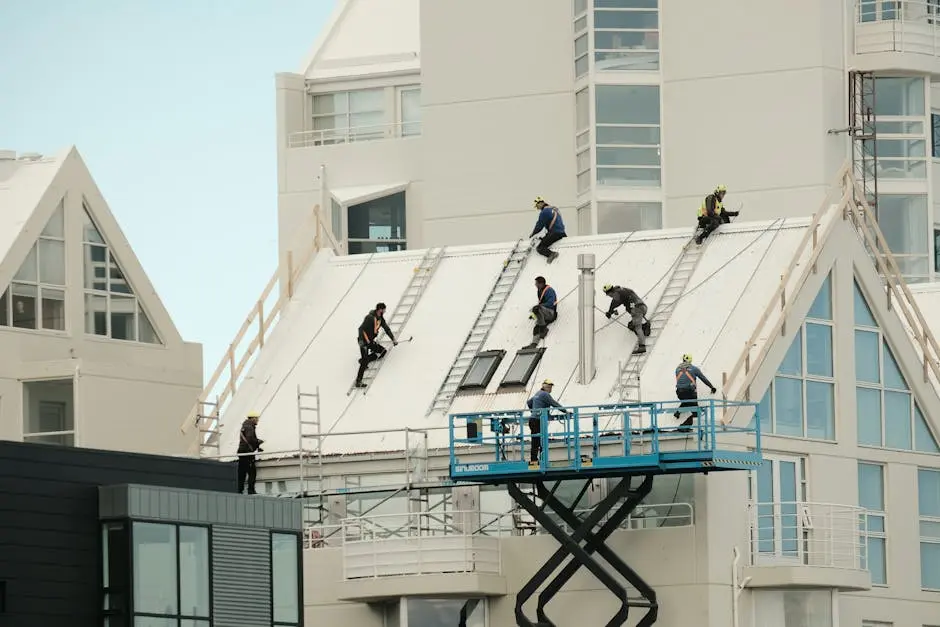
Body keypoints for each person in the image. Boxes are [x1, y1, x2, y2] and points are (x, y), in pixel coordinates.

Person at [354, 302, 397, 388]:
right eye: (384, 310)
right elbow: (361, 329)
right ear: (380, 310)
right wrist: (362, 341)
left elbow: (387, 329)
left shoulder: (380, 319)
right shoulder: (369, 317)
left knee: (383, 351)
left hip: (370, 341)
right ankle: (358, 382)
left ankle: (364, 360)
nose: (385, 311)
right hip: (364, 342)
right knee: (364, 361)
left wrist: (393, 339)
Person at [526, 379, 566, 463]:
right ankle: (542, 459)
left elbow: (529, 402)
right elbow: (554, 404)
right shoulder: (545, 394)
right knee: (542, 440)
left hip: (533, 420)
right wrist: (565, 411)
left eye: (551, 387)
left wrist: (533, 411)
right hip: (538, 421)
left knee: (535, 440)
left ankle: (534, 459)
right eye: (549, 387)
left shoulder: (538, 393)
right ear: (545, 387)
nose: (550, 389)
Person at [602, 284, 648, 355]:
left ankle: (642, 347)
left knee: (638, 328)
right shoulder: (623, 290)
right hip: (643, 307)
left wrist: (610, 312)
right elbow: (626, 299)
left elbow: (615, 302)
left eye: (608, 295)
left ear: (610, 292)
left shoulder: (617, 293)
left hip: (636, 309)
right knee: (631, 325)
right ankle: (645, 327)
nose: (609, 296)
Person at [674, 354, 717, 428]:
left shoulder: (677, 369)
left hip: (679, 393)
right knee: (696, 412)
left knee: (687, 401)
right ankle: (684, 427)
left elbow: (682, 381)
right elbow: (703, 378)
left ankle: (678, 412)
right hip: (690, 392)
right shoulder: (694, 369)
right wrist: (711, 387)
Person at [523, 276, 557, 349]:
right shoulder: (539, 290)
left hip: (551, 313)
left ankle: (544, 328)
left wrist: (539, 306)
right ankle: (534, 344)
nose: (535, 285)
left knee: (538, 308)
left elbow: (551, 303)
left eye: (536, 283)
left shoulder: (549, 290)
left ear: (541, 284)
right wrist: (534, 313)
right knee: (536, 327)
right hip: (544, 312)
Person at [529, 197, 566, 263]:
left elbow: (539, 225)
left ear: (540, 203)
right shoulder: (554, 210)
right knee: (545, 239)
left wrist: (533, 233)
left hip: (555, 233)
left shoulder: (544, 211)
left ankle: (552, 254)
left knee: (540, 247)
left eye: (537, 206)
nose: (537, 208)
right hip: (562, 233)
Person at [237, 411, 264, 494]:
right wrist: (258, 442)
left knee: (242, 472)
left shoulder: (244, 425)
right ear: (253, 418)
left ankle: (239, 490)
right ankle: (251, 490)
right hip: (247, 452)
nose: (258, 420)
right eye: (257, 418)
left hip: (242, 451)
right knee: (252, 472)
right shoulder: (250, 427)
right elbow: (250, 439)